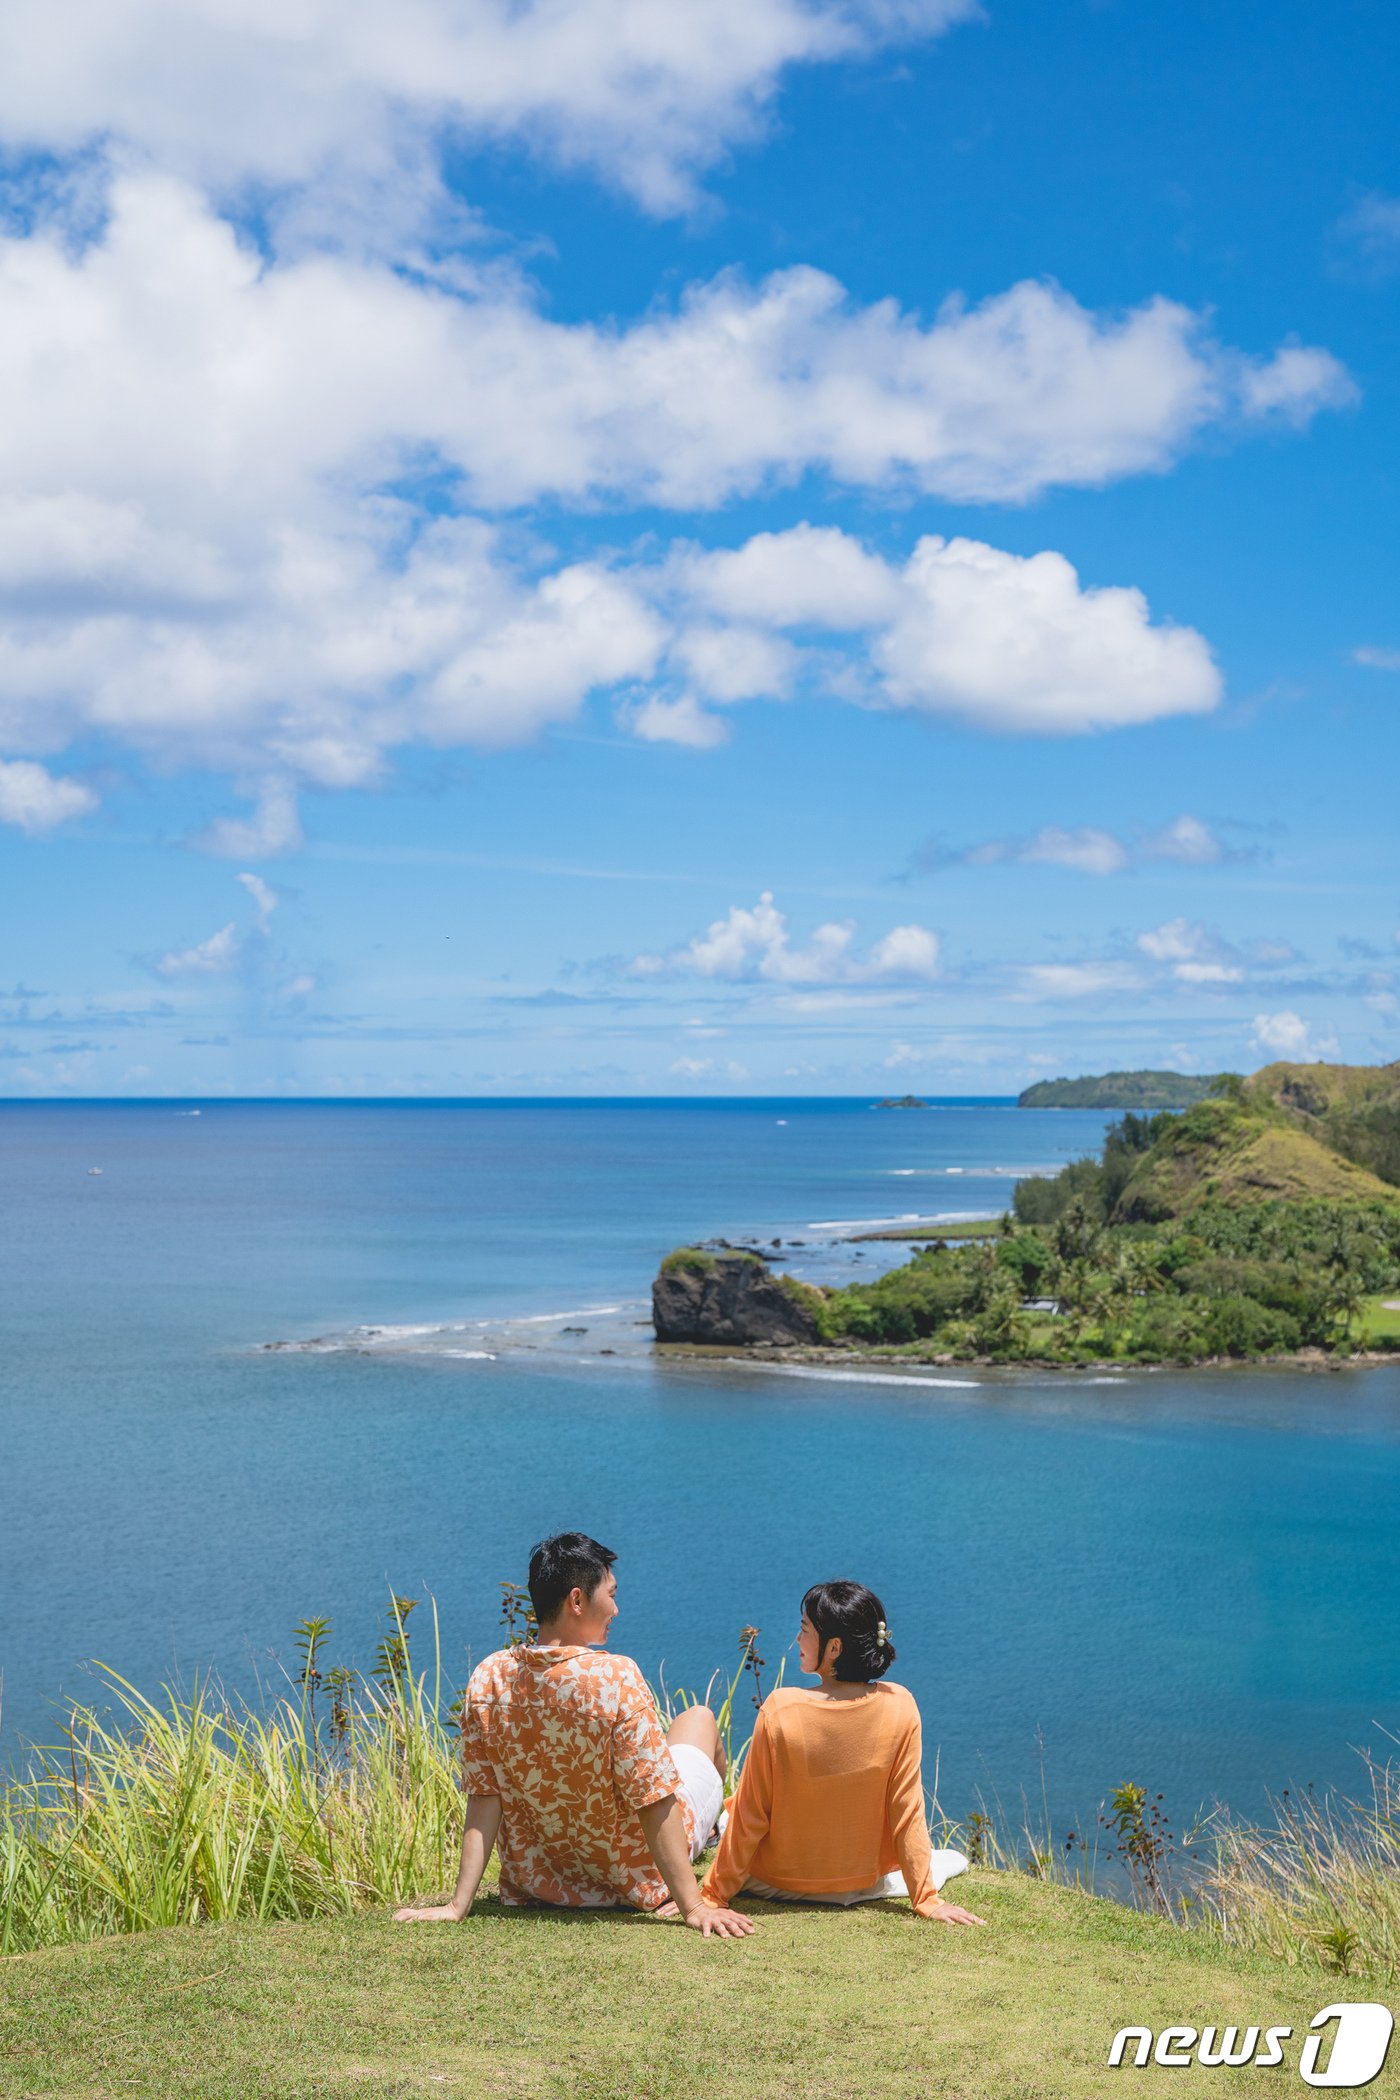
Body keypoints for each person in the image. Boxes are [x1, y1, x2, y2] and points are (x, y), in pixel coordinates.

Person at [394, 1532, 755, 1939]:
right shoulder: (615, 1677)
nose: (616, 1609)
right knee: (701, 1719)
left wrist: (458, 1905)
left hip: (540, 1887)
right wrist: (693, 1905)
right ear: (578, 1600)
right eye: (612, 1595)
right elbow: (654, 1798)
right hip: (634, 1882)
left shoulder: (489, 1678)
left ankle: (709, 1833)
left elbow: (485, 1796)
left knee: (685, 1731)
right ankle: (708, 1833)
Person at [702, 1579, 986, 1927]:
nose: (797, 1640)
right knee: (953, 1857)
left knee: (729, 1817)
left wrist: (713, 1896)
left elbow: (751, 1816)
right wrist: (925, 1898)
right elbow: (906, 1810)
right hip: (862, 1884)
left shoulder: (781, 1709)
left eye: (804, 1630)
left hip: (777, 1884)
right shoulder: (901, 1705)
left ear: (834, 1647)